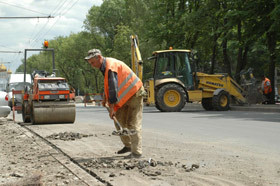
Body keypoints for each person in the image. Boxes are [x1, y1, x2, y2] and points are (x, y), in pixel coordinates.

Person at [84, 49, 145, 158]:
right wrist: (105, 98)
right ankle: (128, 145)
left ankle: (137, 152)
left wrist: (112, 107)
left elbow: (113, 88)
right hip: (124, 96)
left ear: (99, 57)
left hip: (135, 93)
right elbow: (108, 85)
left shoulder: (111, 66)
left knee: (132, 123)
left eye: (92, 62)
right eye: (90, 63)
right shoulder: (105, 67)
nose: (92, 65)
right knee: (120, 120)